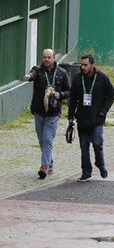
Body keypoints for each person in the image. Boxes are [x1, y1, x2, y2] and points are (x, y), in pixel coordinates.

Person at [23, 48, 71, 179]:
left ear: (54, 58)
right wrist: (28, 76)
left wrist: (58, 94)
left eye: (49, 57)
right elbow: (31, 74)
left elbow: (68, 91)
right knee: (41, 140)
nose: (46, 59)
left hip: (53, 113)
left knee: (47, 139)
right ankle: (50, 163)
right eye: (44, 57)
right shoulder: (38, 70)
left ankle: (44, 166)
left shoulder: (62, 73)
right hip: (39, 111)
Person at [68, 54, 114, 182]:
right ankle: (86, 171)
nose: (82, 67)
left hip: (97, 118)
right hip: (82, 118)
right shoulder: (78, 79)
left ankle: (100, 164)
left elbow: (111, 94)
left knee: (97, 143)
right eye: (81, 65)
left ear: (92, 65)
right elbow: (72, 99)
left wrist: (103, 111)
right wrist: (71, 116)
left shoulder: (102, 78)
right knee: (84, 147)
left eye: (85, 65)